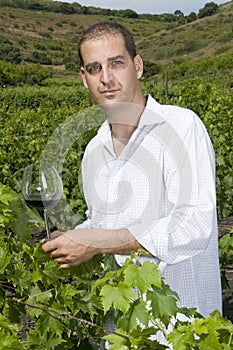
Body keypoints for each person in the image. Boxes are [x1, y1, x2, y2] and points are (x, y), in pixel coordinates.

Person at [42, 21, 222, 317]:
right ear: (84, 78)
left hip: (182, 331)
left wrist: (96, 243)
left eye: (116, 63)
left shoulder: (181, 126)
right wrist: (73, 237)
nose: (107, 78)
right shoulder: (94, 151)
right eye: (95, 68)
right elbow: (100, 223)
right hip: (120, 332)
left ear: (137, 66)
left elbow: (193, 227)